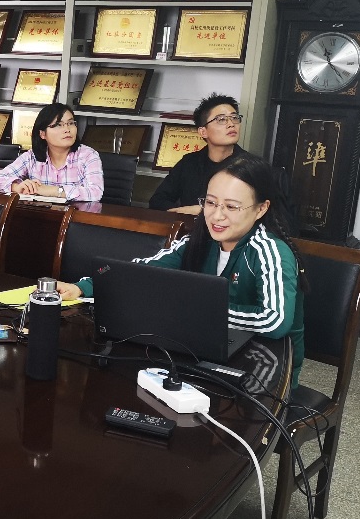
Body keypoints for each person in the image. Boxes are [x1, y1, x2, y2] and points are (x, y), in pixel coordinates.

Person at [58, 154, 307, 383]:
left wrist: (198, 311)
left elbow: (275, 321)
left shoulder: (270, 250)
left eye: (231, 207)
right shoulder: (199, 241)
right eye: (210, 202)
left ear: (261, 209)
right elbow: (141, 272)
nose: (216, 216)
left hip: (265, 372)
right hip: (208, 350)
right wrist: (84, 287)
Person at [149, 93, 247, 214]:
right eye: (222, 120)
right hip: (189, 225)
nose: (231, 124)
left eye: (235, 118)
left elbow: (253, 211)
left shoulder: (250, 167)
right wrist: (185, 212)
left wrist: (204, 211)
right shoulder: (189, 162)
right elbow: (157, 201)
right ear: (203, 132)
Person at [0, 103, 103, 202]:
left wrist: (52, 191)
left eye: (71, 123)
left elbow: (95, 192)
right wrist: (17, 187)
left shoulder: (88, 155)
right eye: (58, 125)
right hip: (39, 215)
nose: (67, 129)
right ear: (42, 134)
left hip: (74, 218)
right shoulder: (32, 156)